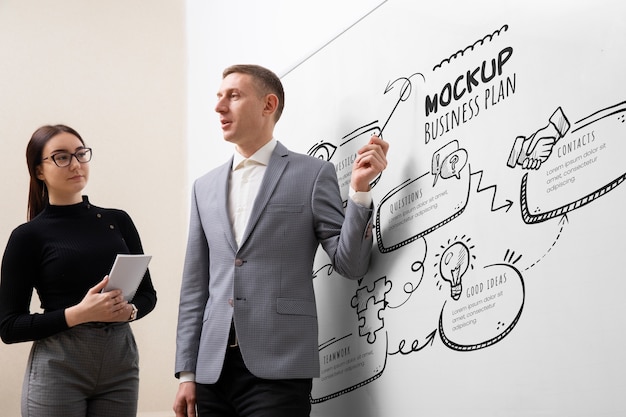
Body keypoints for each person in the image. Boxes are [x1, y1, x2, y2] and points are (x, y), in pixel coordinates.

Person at [173, 64, 389, 417]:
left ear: (268, 104)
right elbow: (195, 287)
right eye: (218, 97)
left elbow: (350, 264)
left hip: (280, 366)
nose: (219, 107)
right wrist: (187, 372)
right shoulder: (204, 188)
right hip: (212, 372)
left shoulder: (312, 174)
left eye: (234, 96)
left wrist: (359, 190)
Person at [0, 124, 157, 417]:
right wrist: (79, 314)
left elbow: (148, 295)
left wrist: (130, 311)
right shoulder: (28, 236)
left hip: (120, 361)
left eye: (80, 154)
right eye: (61, 157)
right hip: (59, 365)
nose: (75, 164)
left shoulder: (118, 221)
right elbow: (9, 327)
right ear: (39, 171)